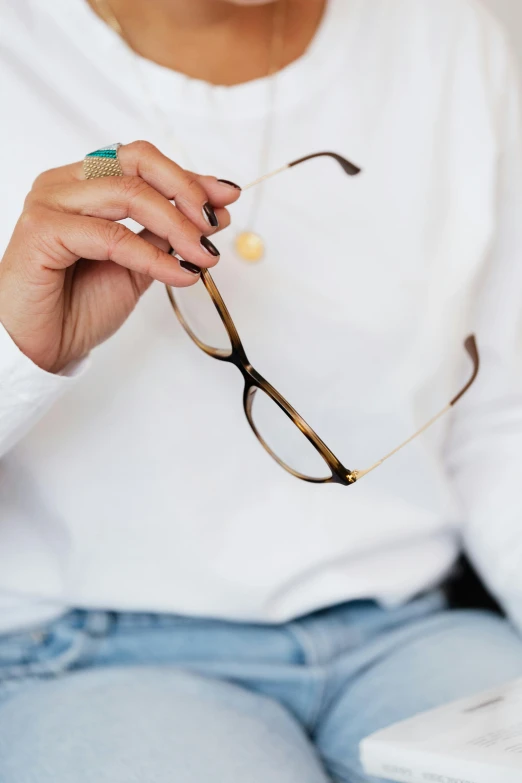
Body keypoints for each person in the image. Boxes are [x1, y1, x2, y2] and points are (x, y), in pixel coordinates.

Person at [1, 0, 522, 780]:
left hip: (410, 628)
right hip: (87, 656)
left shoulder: (443, 33)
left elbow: (501, 418)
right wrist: (20, 346)